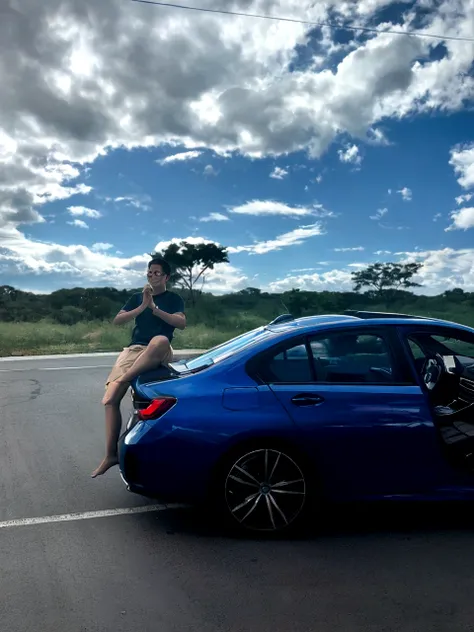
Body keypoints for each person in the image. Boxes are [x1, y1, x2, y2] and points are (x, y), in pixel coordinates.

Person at [91, 256, 186, 478]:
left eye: (156, 273)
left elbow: (181, 323)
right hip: (134, 350)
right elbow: (118, 320)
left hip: (158, 350)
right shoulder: (137, 297)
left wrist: (154, 309)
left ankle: (125, 378)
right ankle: (110, 455)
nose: (152, 276)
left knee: (161, 340)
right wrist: (143, 305)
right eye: (149, 273)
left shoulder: (173, 298)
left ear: (166, 277)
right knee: (110, 399)